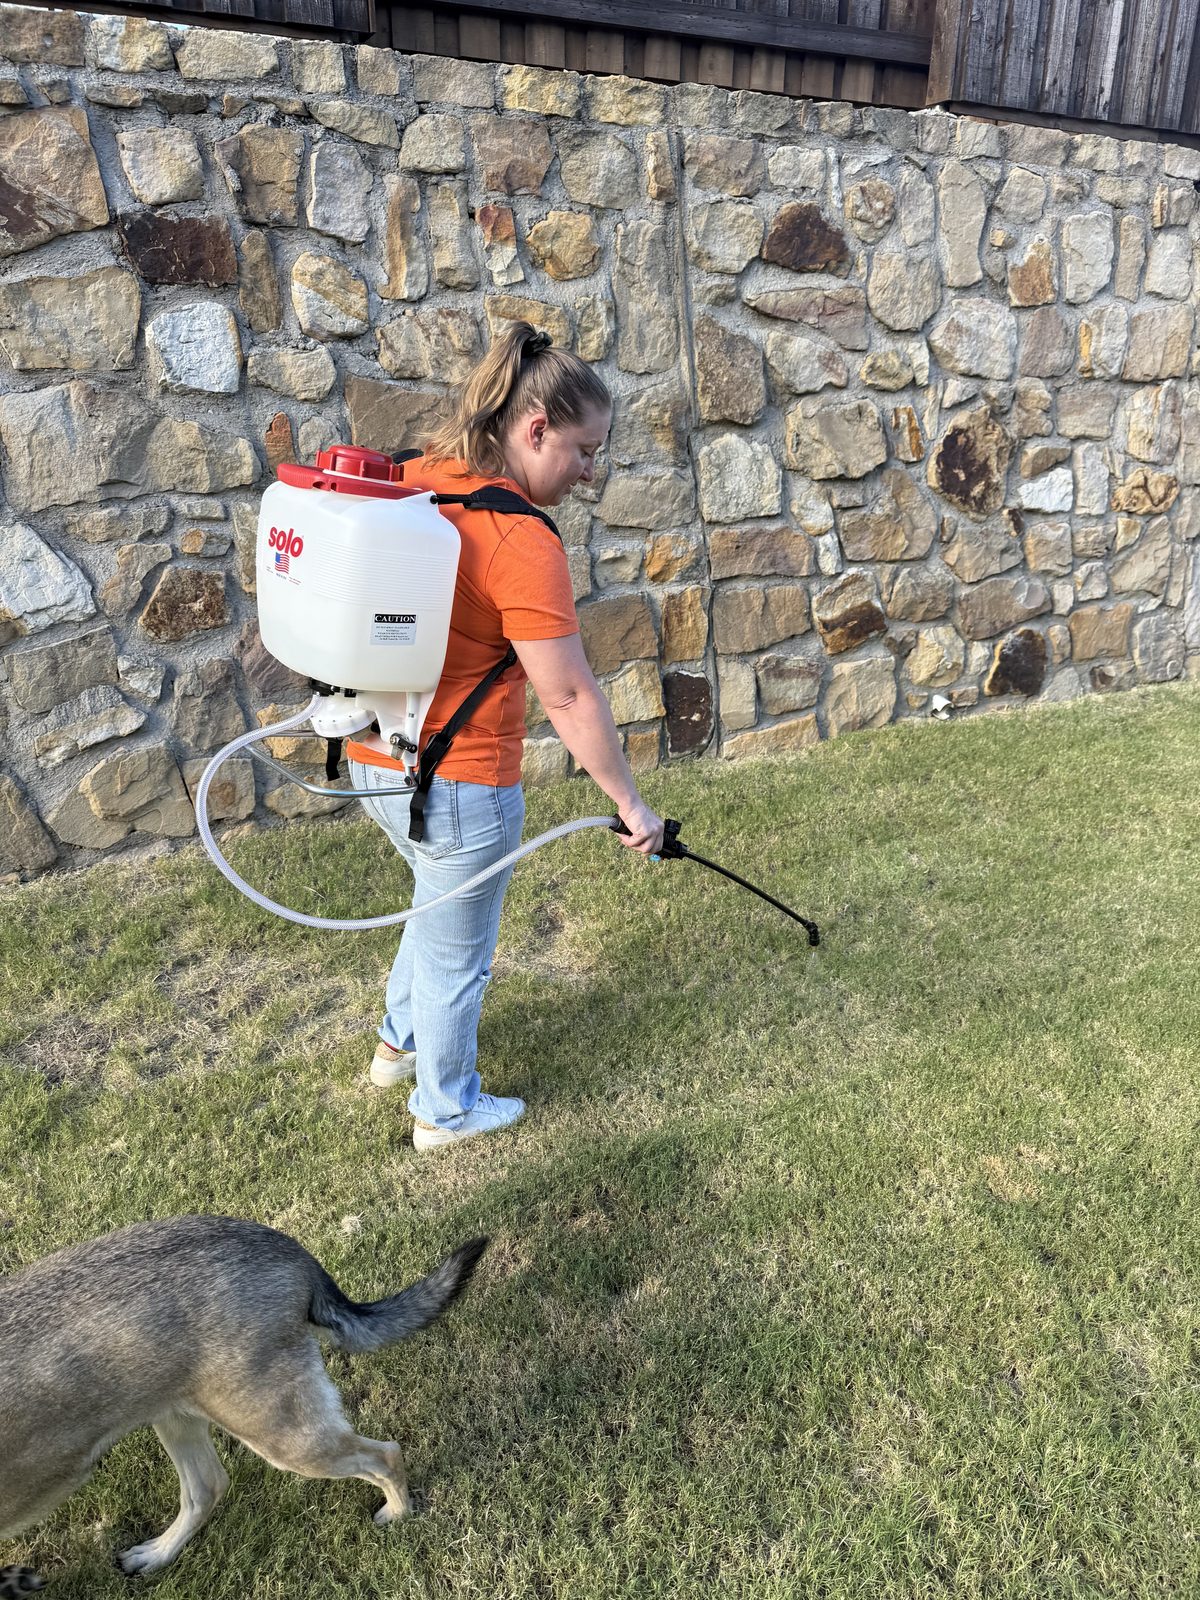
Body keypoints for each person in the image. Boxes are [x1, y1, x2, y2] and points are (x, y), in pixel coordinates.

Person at [346, 322, 666, 1153]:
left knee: (434, 900)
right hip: (461, 781)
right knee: (460, 954)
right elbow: (565, 692)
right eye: (584, 451)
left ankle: (395, 1048)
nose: (592, 471)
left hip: (374, 760)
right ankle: (444, 1111)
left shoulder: (415, 481)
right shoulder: (520, 539)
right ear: (533, 430)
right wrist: (631, 804)